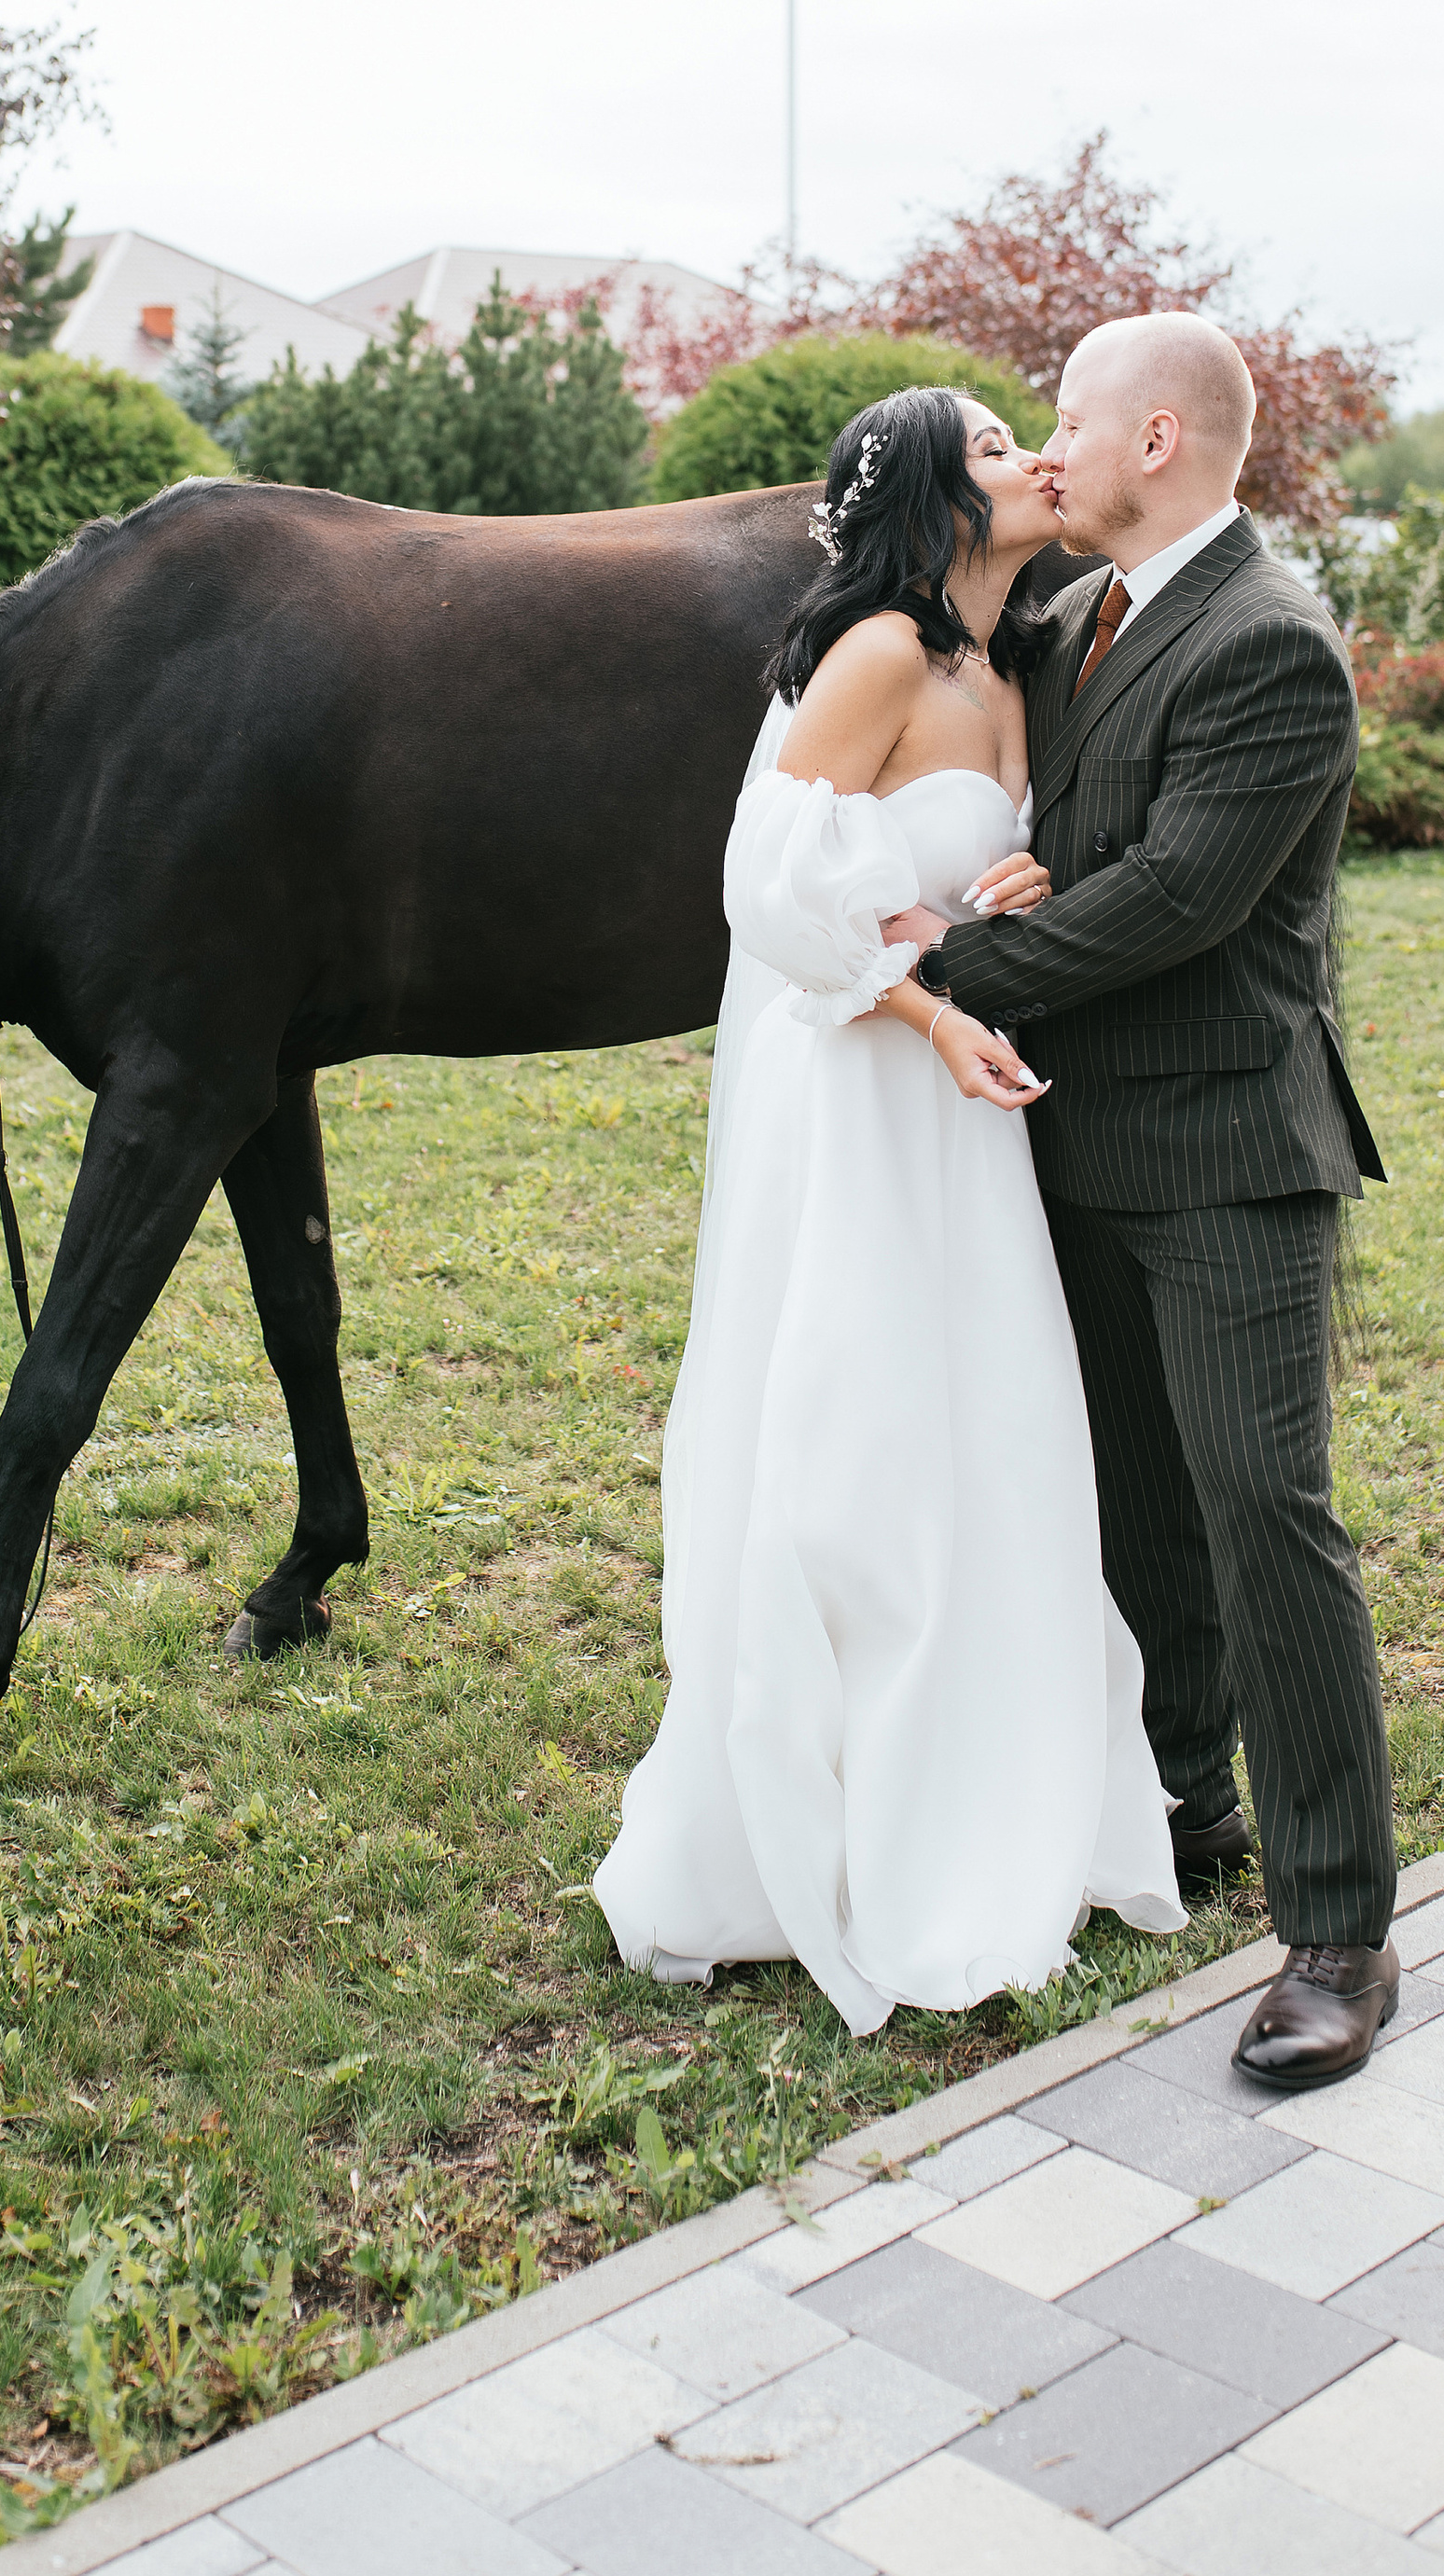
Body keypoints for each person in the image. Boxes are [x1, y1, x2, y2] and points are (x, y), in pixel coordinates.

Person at [593, 383, 1187, 2033]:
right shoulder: (873, 656)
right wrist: (929, 1011)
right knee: (856, 1438)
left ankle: (993, 1790)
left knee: (988, 1422)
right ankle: (826, 1822)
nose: (1034, 457)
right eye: (996, 447)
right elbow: (767, 890)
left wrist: (1024, 886)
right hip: (864, 1088)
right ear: (936, 497)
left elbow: (969, 863)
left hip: (964, 1111)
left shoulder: (1014, 664)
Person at [905, 312, 1395, 2088]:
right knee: (1132, 1502)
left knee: (1265, 1512)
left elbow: (1184, 893)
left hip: (1227, 1157)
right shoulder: (1070, 620)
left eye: (1069, 422)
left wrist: (946, 964)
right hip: (1067, 1143)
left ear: (1161, 438)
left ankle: (1339, 1934)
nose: (1050, 448)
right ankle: (1186, 1799)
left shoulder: (1271, 642)